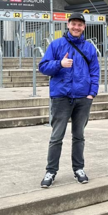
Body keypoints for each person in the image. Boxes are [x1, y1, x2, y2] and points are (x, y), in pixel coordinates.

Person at [38, 12, 99, 188]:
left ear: (84, 27)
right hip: (61, 97)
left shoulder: (89, 48)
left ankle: (78, 169)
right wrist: (59, 64)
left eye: (80, 25)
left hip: (82, 98)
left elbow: (95, 72)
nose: (76, 27)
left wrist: (91, 94)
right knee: (56, 137)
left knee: (79, 136)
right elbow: (43, 67)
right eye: (73, 24)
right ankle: (51, 171)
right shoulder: (56, 45)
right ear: (68, 25)